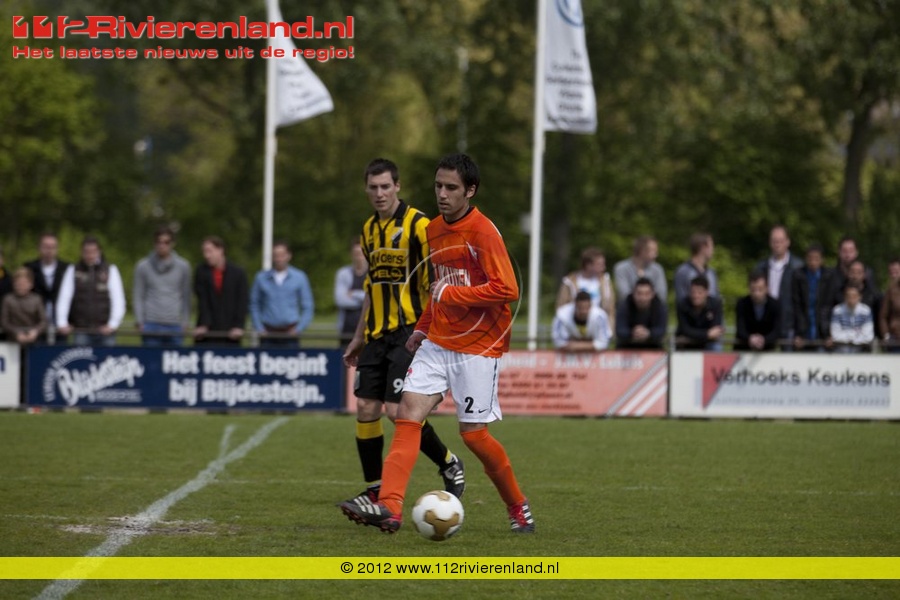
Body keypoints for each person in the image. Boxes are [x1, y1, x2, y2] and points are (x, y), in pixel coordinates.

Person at [340, 153, 534, 534]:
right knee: (407, 414)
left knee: (474, 436)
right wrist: (423, 327)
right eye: (438, 186)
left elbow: (507, 289)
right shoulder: (434, 229)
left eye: (451, 188)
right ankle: (390, 507)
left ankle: (517, 504)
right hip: (438, 340)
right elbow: (438, 288)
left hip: (477, 346)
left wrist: (452, 295)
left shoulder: (483, 232)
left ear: (470, 190)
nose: (442, 194)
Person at [340, 158, 465, 511]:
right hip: (376, 332)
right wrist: (359, 335)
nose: (379, 193)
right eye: (373, 187)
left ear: (397, 186)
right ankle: (375, 488)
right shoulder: (368, 230)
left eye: (385, 186)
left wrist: (438, 328)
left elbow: (439, 278)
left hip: (410, 331)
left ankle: (448, 462)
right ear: (366, 190)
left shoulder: (420, 225)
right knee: (366, 407)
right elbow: (372, 285)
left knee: (397, 412)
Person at [55, 236, 126, 347]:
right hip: (81, 329)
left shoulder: (110, 270)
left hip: (105, 330)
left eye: (93, 251)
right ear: (81, 252)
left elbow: (118, 299)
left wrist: (113, 324)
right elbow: (65, 297)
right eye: (86, 252)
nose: (90, 255)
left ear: (99, 252)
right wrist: (62, 322)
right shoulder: (73, 270)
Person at [132, 226, 192, 346]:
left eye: (166, 242)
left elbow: (186, 296)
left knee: (174, 358)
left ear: (172, 243)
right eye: (158, 242)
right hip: (151, 323)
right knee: (150, 357)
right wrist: (139, 321)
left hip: (174, 324)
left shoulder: (183, 266)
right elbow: (138, 295)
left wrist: (185, 322)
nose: (162, 245)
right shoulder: (143, 266)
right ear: (154, 244)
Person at [250, 241, 314, 347]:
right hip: (268, 334)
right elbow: (254, 304)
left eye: (282, 255)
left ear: (289, 256)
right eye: (276, 255)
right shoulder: (261, 278)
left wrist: (299, 328)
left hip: (291, 334)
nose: (279, 259)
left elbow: (308, 305)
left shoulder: (299, 277)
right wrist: (259, 328)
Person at [194, 236, 249, 346]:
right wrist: (204, 324)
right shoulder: (201, 272)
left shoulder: (238, 274)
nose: (207, 256)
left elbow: (242, 301)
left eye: (210, 251)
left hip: (231, 331)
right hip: (207, 331)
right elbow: (202, 300)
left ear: (220, 250)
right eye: (204, 252)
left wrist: (239, 326)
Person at [754, 225, 803, 347]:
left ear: (788, 242)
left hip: (789, 324)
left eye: (780, 241)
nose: (777, 244)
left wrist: (800, 330)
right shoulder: (761, 267)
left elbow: (802, 301)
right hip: (766, 323)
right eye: (774, 241)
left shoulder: (798, 267)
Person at [25, 232, 69, 343]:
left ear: (57, 249)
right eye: (46, 247)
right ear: (39, 248)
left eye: (52, 247)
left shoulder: (66, 269)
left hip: (59, 321)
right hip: (34, 323)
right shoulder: (29, 267)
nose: (49, 250)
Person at [555, 247, 616, 328]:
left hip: (598, 323)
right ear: (588, 265)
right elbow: (561, 306)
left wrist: (610, 327)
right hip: (575, 323)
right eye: (599, 264)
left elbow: (610, 308)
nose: (603, 268)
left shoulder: (605, 282)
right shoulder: (569, 282)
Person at [791, 243, 836, 351]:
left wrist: (828, 332)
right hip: (804, 325)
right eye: (810, 258)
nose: (813, 262)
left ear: (822, 260)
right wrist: (799, 332)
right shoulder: (798, 275)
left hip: (822, 326)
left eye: (816, 259)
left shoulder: (828, 276)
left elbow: (829, 305)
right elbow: (796, 305)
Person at [615, 277, 668, 349]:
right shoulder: (624, 305)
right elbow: (620, 330)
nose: (643, 298)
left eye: (647, 294)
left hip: (653, 347)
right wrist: (633, 333)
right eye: (639, 294)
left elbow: (661, 330)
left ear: (652, 294)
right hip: (626, 347)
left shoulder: (660, 306)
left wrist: (648, 333)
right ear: (633, 294)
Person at [734, 271, 780, 351]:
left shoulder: (775, 305)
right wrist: (750, 338)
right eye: (753, 290)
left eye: (760, 289)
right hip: (744, 350)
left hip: (767, 350)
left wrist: (764, 340)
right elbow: (740, 329)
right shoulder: (742, 304)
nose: (756, 294)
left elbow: (777, 330)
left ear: (767, 288)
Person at [675, 275, 723, 350]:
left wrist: (696, 333)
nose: (696, 296)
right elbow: (685, 329)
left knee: (716, 346)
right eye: (693, 292)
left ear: (706, 292)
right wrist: (706, 334)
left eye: (699, 293)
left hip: (708, 343)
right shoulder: (682, 304)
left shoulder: (715, 304)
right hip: (686, 344)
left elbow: (716, 330)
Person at [333, 240, 367, 346]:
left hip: (368, 328)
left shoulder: (373, 274)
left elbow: (375, 300)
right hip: (346, 328)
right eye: (356, 254)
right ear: (351, 255)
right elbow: (340, 300)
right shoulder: (343, 274)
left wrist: (354, 294)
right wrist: (365, 299)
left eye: (361, 253)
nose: (359, 257)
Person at [614, 235, 667, 302]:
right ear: (642, 251)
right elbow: (624, 294)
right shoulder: (621, 268)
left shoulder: (657, 269)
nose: (656, 255)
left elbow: (661, 295)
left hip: (654, 308)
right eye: (653, 251)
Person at [0, 268, 46, 345]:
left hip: (33, 340)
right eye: (18, 284)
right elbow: (4, 322)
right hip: (12, 341)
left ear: (31, 284)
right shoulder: (8, 299)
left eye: (24, 284)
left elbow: (43, 321)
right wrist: (16, 333)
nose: (21, 286)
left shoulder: (37, 299)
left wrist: (35, 331)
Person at [673, 233, 719, 304]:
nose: (713, 250)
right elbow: (681, 301)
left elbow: (716, 299)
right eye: (711, 246)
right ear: (703, 247)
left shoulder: (711, 273)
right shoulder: (683, 272)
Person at [829, 283, 874, 353]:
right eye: (848, 296)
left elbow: (868, 336)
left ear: (860, 297)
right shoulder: (838, 311)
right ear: (844, 297)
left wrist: (848, 337)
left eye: (854, 296)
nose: (851, 299)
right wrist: (855, 336)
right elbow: (835, 335)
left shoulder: (865, 311)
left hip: (860, 351)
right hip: (841, 351)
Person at [878, 258, 900, 353]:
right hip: (896, 338)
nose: (894, 275)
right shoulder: (891, 291)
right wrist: (886, 335)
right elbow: (883, 316)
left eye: (896, 272)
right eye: (891, 272)